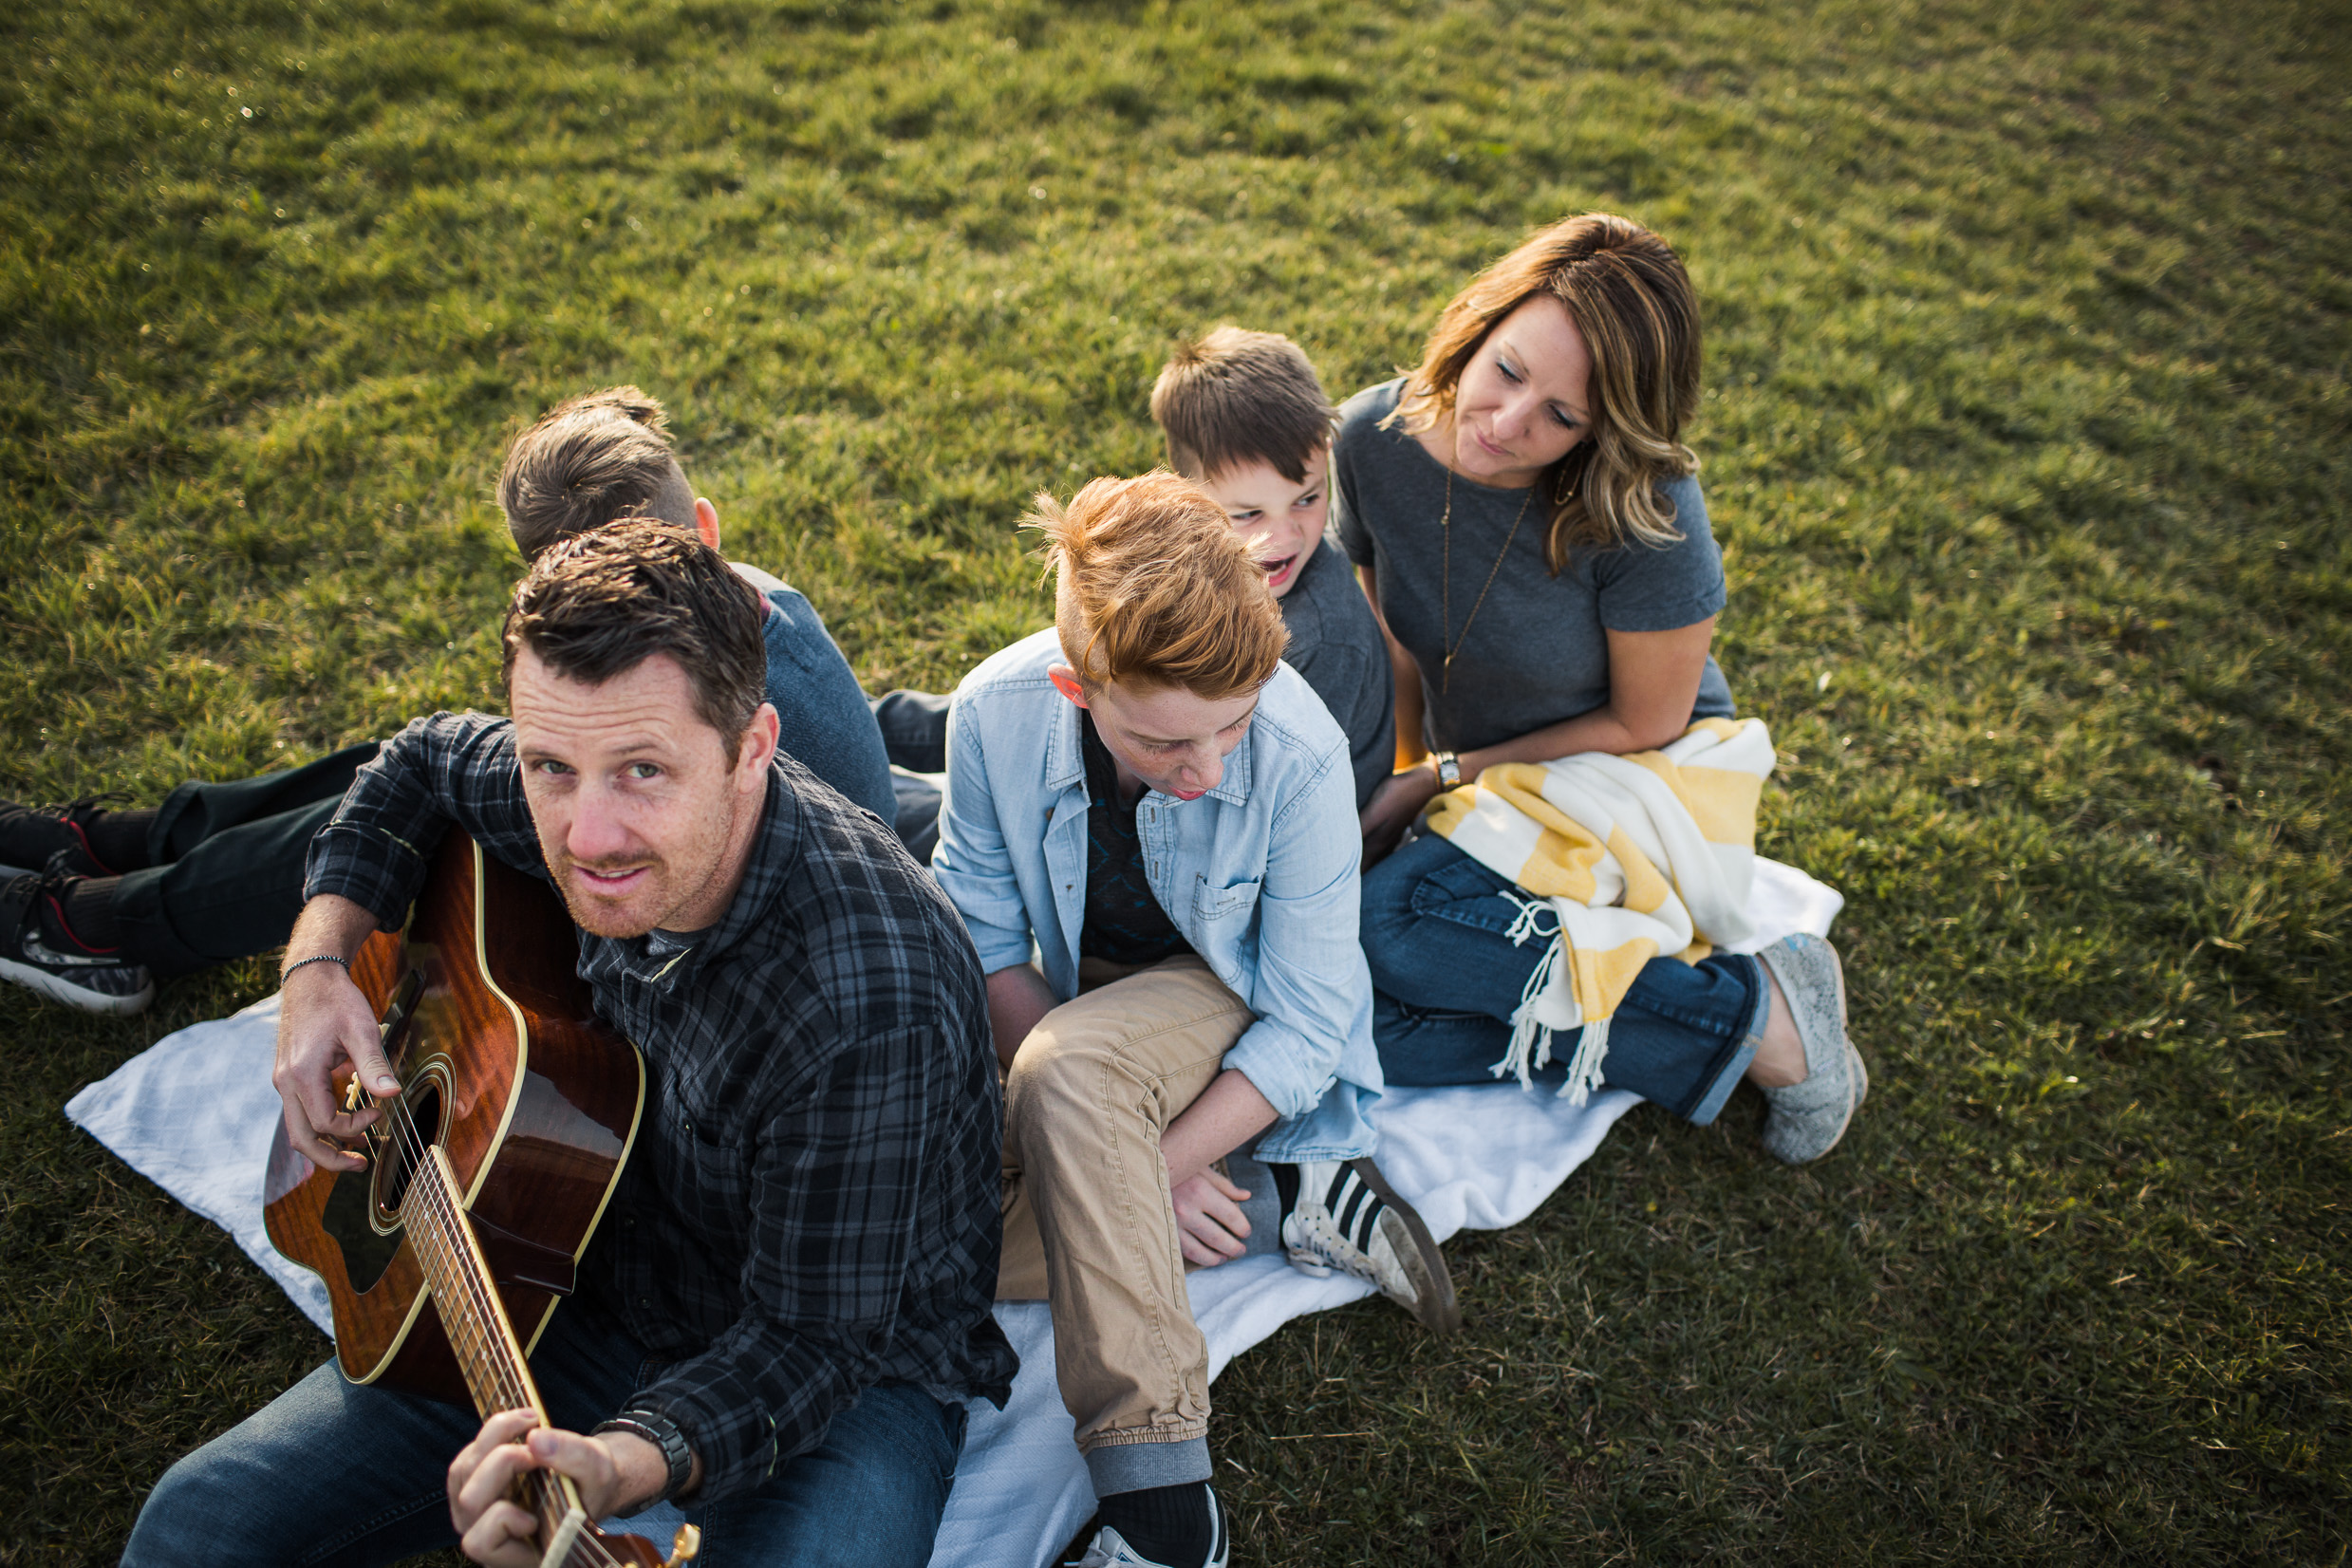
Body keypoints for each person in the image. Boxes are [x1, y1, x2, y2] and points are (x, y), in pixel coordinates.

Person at [122, 521, 1014, 1566]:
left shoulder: (870, 994)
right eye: (550, 765)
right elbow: (417, 764)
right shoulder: (586, 766)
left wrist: (617, 1461)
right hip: (583, 1261)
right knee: (198, 1522)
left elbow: (809, 1343)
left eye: (642, 770)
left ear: (753, 746)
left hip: (843, 1362)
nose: (585, 836)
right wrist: (319, 966)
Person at [933, 473, 1456, 1568]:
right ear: (1079, 687)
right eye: (1164, 742)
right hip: (1081, 1001)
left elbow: (1312, 1017)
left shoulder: (1303, 753)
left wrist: (1142, 1160)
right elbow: (980, 941)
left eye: (1233, 723)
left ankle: (1168, 1516)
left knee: (1070, 1077)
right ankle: (1279, 1198)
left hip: (1225, 997)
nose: (1208, 766)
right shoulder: (992, 711)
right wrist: (1120, 1174)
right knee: (931, 1219)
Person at [0, 386, 895, 1016]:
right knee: (426, 764)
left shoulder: (726, 714)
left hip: (703, 926)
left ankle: (103, 927)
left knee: (434, 827)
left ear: (699, 533)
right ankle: (134, 841)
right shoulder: (741, 587)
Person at [1335, 213, 1867, 1165]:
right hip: (1495, 787)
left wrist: (1442, 778)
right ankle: (1709, 1032)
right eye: (1507, 370)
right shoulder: (1371, 438)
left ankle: (1763, 1015)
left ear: (1606, 429)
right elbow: (1395, 647)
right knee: (1358, 1028)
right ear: (1480, 323)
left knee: (1402, 923)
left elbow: (1647, 718)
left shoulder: (1646, 510)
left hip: (1638, 772)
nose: (1506, 424)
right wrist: (1402, 778)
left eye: (1562, 416)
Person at [869, 327, 1396, 859]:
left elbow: (1220, 784)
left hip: (1221, 840)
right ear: (1187, 496)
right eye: (1248, 514)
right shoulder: (1191, 567)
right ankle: (870, 726)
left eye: (1307, 500)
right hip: (1138, 753)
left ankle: (863, 758)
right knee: (1005, 710)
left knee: (902, 816)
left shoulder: (1317, 640)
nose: (1282, 536)